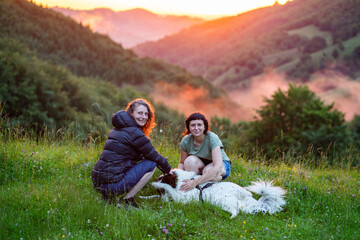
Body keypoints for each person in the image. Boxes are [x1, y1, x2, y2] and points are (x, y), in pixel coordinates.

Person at [92, 98, 171, 208]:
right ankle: (127, 200)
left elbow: (131, 154)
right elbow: (153, 155)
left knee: (149, 161)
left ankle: (107, 197)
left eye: (146, 114)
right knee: (151, 164)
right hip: (111, 186)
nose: (143, 117)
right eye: (139, 113)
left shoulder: (118, 128)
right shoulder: (134, 132)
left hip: (98, 183)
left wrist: (154, 159)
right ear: (131, 113)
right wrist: (168, 170)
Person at [177, 112, 231, 192]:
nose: (196, 128)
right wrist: (178, 178)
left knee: (208, 170)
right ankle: (199, 185)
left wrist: (195, 182)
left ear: (205, 126)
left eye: (199, 125)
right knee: (189, 161)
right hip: (201, 163)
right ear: (188, 127)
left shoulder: (212, 138)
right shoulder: (186, 141)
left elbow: (218, 166)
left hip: (220, 164)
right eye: (192, 125)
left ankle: (212, 179)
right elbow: (182, 163)